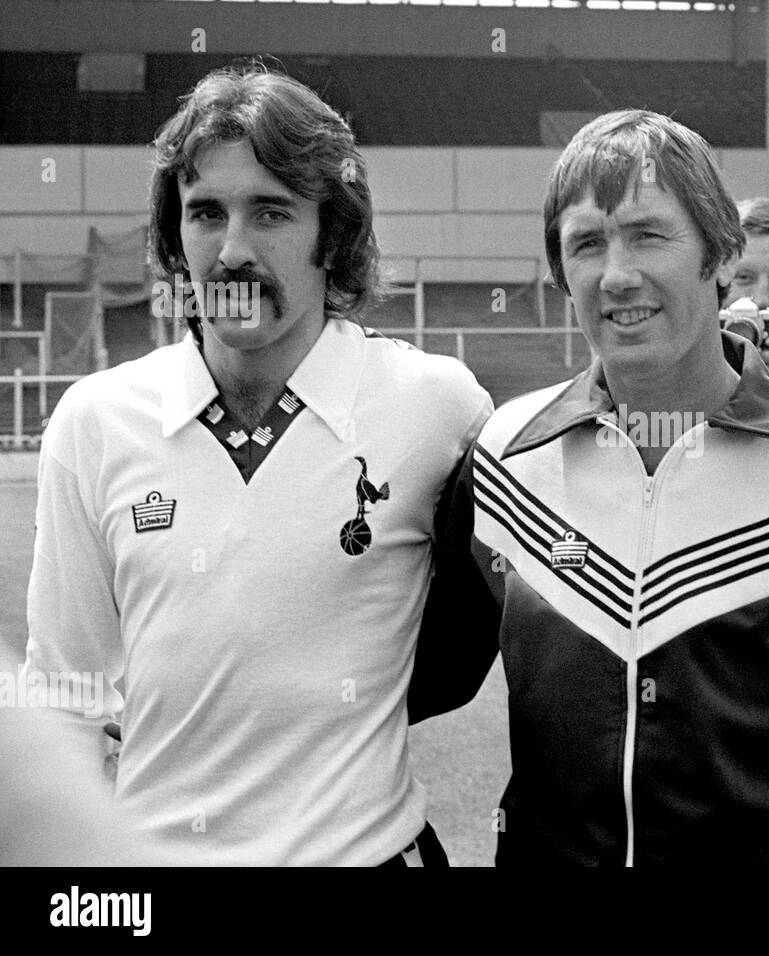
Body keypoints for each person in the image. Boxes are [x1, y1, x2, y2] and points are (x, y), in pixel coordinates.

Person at [413, 109, 769, 866]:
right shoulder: (502, 456)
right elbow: (422, 675)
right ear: (561, 273)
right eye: (587, 243)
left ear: (720, 253)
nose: (617, 274)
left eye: (648, 235)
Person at [23, 64, 492, 865]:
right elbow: (64, 693)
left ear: (333, 235)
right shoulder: (96, 423)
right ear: (177, 236)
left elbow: (471, 644)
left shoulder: (435, 406)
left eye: (270, 212)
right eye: (206, 214)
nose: (232, 250)